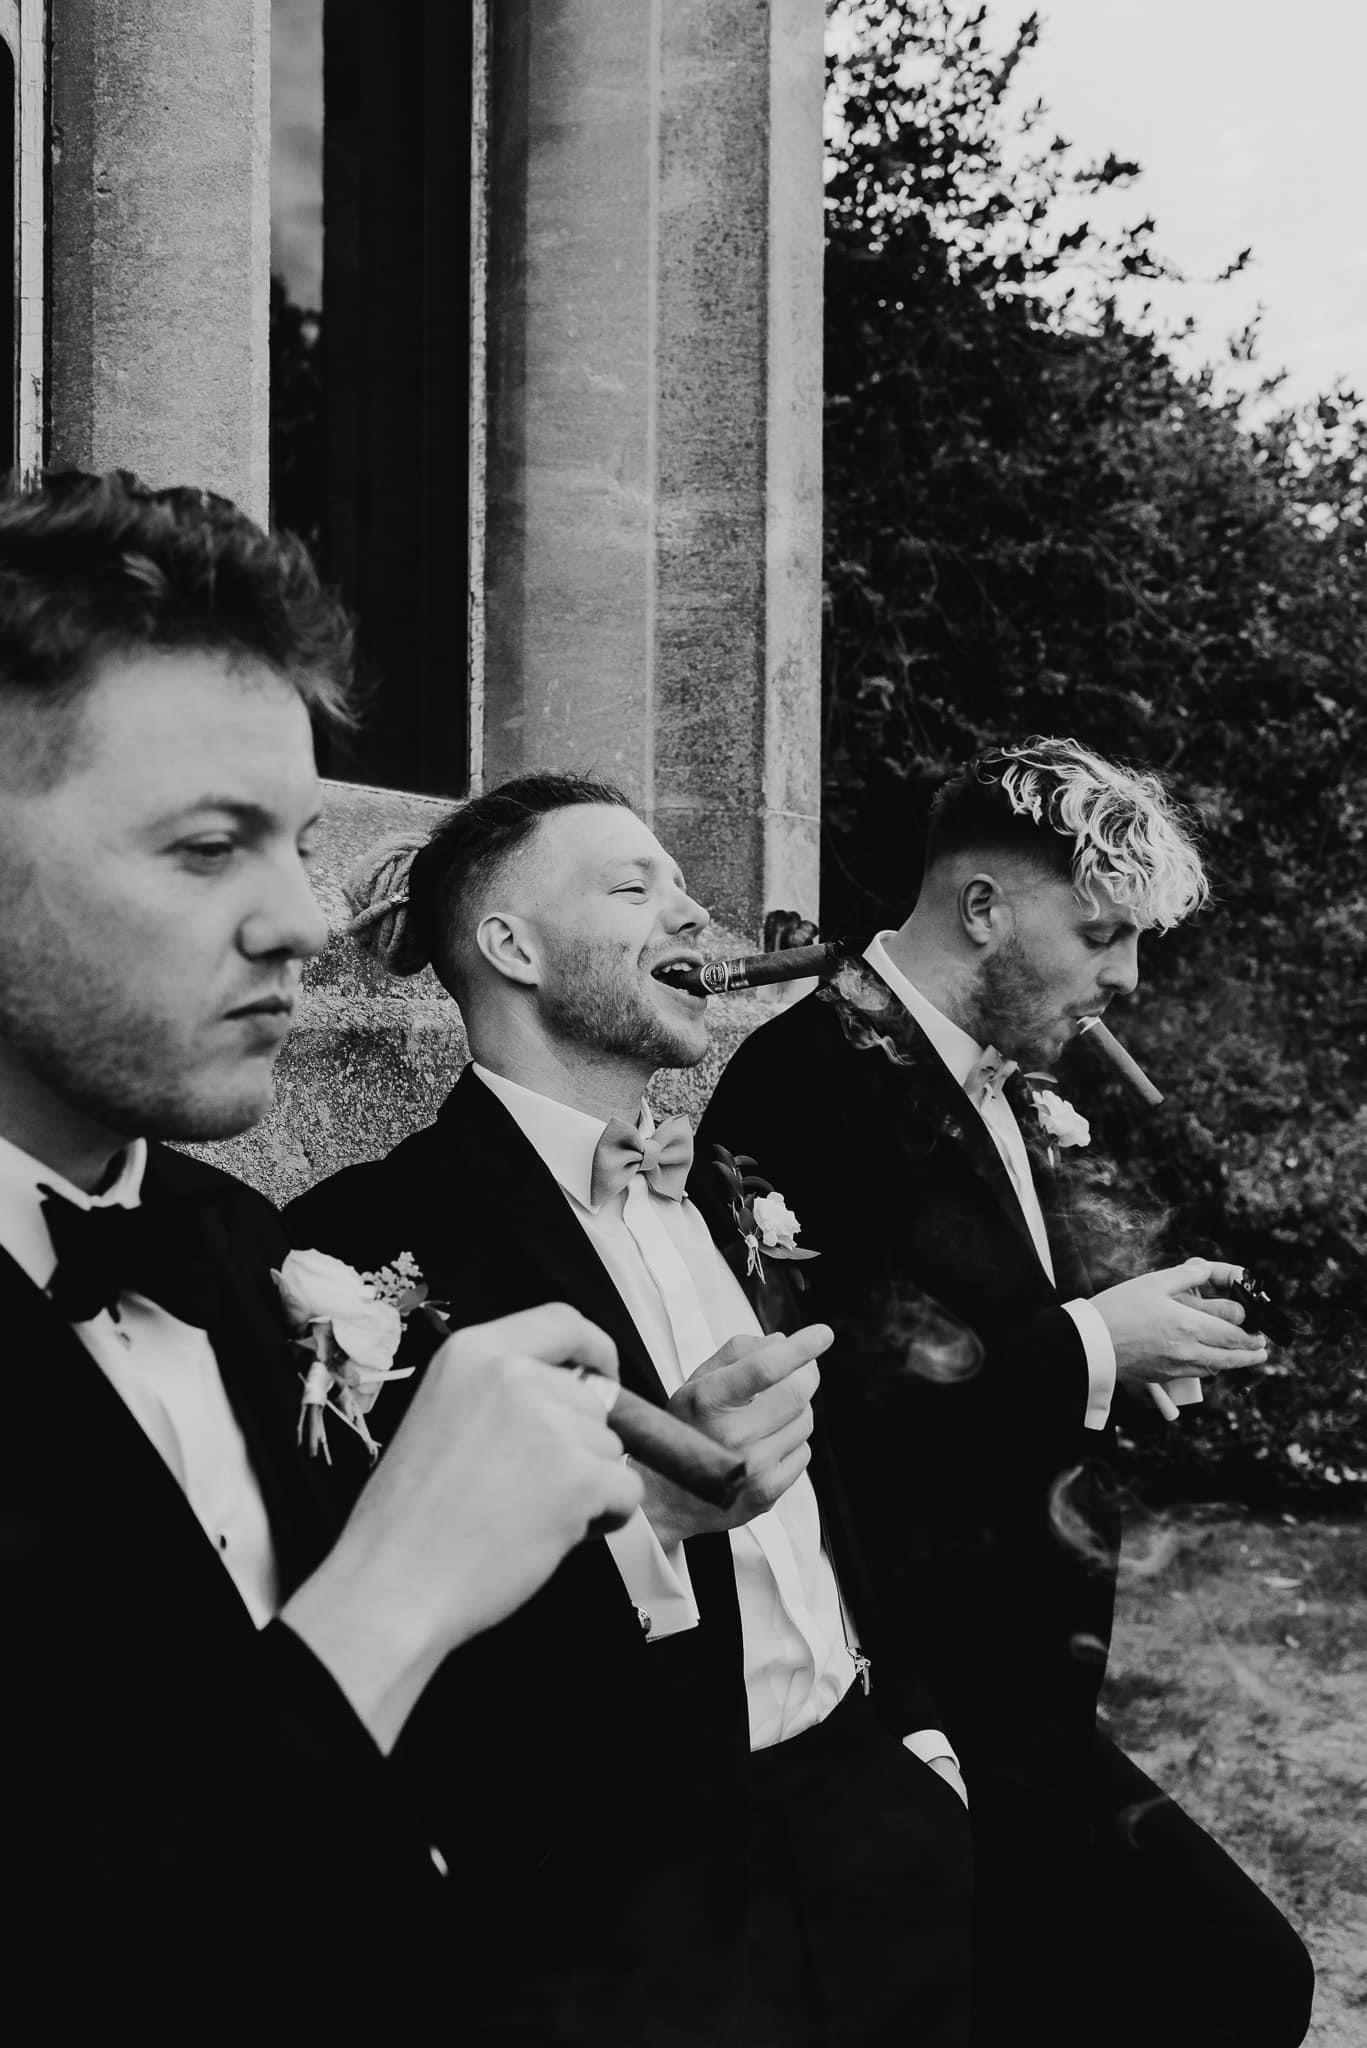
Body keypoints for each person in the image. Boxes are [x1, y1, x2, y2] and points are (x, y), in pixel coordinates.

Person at [0, 471, 644, 2043]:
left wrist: (621, 1519)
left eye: (297, 842)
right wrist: (394, 1589)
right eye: (209, 848)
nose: (300, 918)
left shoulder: (228, 1243)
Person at [288, 773, 974, 2048]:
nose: (694, 909)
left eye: (681, 881)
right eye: (633, 885)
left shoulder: (725, 1187)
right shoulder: (367, 1247)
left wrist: (915, 1739)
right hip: (644, 1899)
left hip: (875, 1819)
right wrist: (654, 1511)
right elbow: (425, 1658)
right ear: (512, 947)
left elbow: (831, 1488)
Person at [698, 737, 1315, 2048]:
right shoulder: (802, 1081)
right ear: (982, 907)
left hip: (1022, 1684)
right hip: (913, 1689)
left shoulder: (988, 1076)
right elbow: (839, 1403)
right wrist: (1093, 1345)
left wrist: (1120, 1353)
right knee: (1235, 1980)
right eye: (1099, 934)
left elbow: (968, 1321)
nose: (1122, 980)